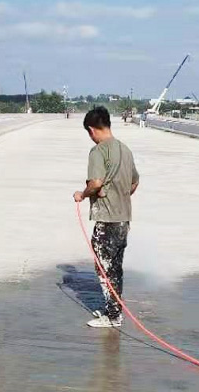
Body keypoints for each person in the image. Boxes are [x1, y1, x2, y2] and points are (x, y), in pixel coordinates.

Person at [73, 107, 140, 328]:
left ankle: (112, 316)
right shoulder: (125, 150)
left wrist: (82, 195)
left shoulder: (99, 151)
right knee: (115, 267)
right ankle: (115, 310)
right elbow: (134, 182)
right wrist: (119, 195)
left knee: (103, 267)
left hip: (107, 220)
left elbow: (96, 183)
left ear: (92, 130)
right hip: (123, 219)